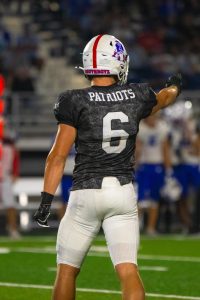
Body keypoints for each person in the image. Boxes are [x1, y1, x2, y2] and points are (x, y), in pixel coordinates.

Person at [34, 34, 182, 300]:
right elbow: (163, 98)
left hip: (85, 194)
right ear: (117, 63)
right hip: (122, 193)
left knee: (66, 272)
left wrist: (46, 203)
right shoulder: (137, 95)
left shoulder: (73, 100)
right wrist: (174, 87)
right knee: (128, 270)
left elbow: (57, 156)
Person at [135, 114, 170, 236]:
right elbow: (137, 150)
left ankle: (151, 228)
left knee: (154, 200)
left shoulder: (162, 127)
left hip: (157, 166)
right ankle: (135, 227)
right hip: (144, 166)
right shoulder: (141, 128)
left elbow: (165, 149)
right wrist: (135, 166)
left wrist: (168, 169)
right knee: (141, 200)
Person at [0, 134, 20, 239]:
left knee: (10, 205)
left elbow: (15, 158)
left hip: (5, 178)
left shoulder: (9, 145)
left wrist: (15, 173)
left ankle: (13, 229)